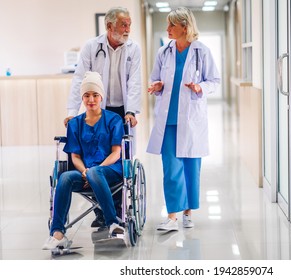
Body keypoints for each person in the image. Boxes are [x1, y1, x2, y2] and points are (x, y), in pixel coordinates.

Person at [65, 6, 142, 227]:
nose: (128, 29)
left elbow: (134, 81)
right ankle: (100, 210)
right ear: (109, 26)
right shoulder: (92, 46)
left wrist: (132, 111)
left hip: (121, 111)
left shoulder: (133, 49)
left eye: (129, 24)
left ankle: (116, 209)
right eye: (123, 24)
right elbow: (80, 79)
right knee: (95, 159)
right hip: (97, 108)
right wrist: (72, 113)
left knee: (117, 161)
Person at [147, 7, 220, 231]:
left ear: (185, 27)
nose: (167, 29)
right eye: (168, 25)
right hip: (168, 119)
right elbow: (155, 79)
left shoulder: (202, 52)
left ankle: (188, 211)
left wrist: (200, 87)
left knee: (190, 165)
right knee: (171, 167)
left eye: (172, 25)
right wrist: (157, 86)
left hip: (190, 119)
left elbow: (214, 81)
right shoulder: (163, 52)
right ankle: (171, 216)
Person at [43, 72, 125, 250]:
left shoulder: (114, 119)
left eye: (95, 95)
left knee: (96, 171)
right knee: (65, 177)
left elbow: (116, 153)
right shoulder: (75, 124)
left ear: (101, 96)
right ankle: (57, 233)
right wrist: (85, 172)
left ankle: (113, 223)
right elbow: (75, 157)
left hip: (110, 170)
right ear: (82, 98)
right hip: (85, 171)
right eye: (87, 95)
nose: (91, 99)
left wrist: (95, 171)